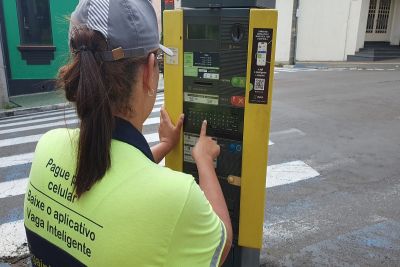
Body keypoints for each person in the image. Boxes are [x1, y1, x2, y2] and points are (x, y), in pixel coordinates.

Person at [23, 0, 232, 266]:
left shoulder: (48, 147)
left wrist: (166, 145)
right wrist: (204, 160)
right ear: (148, 71)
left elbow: (111, 177)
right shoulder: (177, 196)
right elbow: (221, 242)